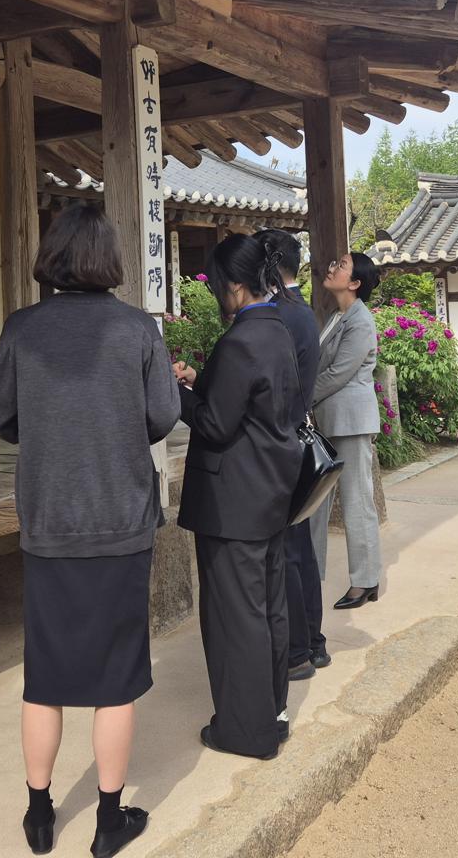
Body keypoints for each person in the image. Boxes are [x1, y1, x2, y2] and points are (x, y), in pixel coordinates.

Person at [0, 203, 180, 857]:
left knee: (45, 674)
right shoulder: (137, 329)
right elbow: (161, 416)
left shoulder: (21, 328)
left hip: (48, 520)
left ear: (54, 257)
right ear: (108, 258)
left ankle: (39, 815)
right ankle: (107, 821)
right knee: (115, 678)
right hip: (121, 520)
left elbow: (4, 418)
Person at [175, 234, 303, 759]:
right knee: (268, 609)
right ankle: (270, 714)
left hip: (233, 502)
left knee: (235, 617)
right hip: (269, 492)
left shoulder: (240, 340)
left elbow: (214, 421)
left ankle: (244, 730)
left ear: (231, 285)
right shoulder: (277, 330)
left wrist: (177, 392)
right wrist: (200, 380)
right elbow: (249, 403)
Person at [254, 229, 329, 681]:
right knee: (299, 548)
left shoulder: (279, 314)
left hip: (282, 439)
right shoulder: (298, 312)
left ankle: (300, 646)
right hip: (297, 435)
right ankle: (312, 642)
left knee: (291, 552)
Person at [309, 251, 384, 611]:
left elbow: (339, 372)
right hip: (330, 420)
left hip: (351, 422)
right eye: (334, 262)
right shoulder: (337, 316)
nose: (332, 267)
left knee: (357, 501)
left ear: (355, 283)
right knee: (316, 503)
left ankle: (366, 581)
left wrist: (300, 397)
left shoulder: (361, 320)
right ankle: (311, 574)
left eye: (340, 265)